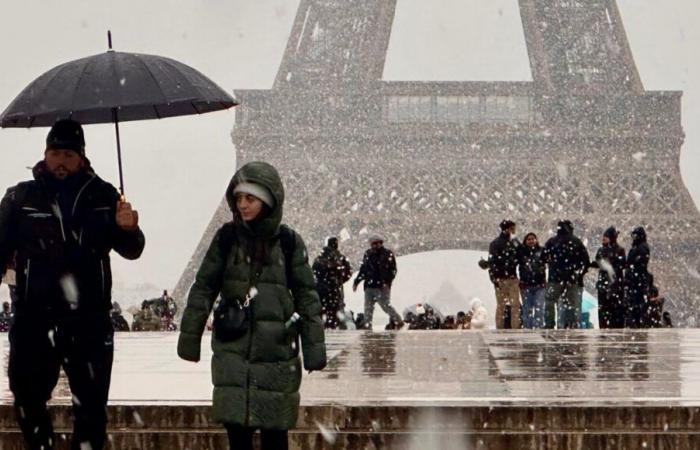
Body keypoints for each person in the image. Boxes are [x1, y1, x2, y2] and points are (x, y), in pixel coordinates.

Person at [0, 119, 144, 449]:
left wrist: (128, 228)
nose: (60, 161)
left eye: (67, 153)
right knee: (27, 399)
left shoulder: (104, 195)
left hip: (88, 319)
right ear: (44, 154)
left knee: (92, 411)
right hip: (35, 318)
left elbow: (132, 250)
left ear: (81, 157)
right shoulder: (20, 198)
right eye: (54, 153)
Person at [177, 161, 326, 450]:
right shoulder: (226, 238)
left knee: (275, 438)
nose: (242, 205)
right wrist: (189, 339)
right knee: (238, 438)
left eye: (250, 198)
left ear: (268, 200)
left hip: (276, 353)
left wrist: (314, 349)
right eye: (238, 198)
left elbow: (308, 297)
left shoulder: (288, 242)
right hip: (234, 352)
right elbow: (203, 289)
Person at [542, 220, 590, 329]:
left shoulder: (551, 242)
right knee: (571, 304)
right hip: (572, 279)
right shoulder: (576, 242)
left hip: (555, 278)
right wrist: (579, 274)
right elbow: (585, 261)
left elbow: (543, 258)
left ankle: (549, 324)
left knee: (550, 301)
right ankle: (570, 325)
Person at [352, 235, 403, 330]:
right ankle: (367, 325)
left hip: (382, 286)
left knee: (385, 306)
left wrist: (386, 282)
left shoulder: (387, 254)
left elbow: (393, 270)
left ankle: (398, 321)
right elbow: (363, 270)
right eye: (373, 243)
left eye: (378, 243)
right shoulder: (368, 254)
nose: (376, 245)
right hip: (369, 286)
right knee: (368, 308)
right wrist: (356, 282)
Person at [312, 237, 352, 329]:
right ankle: (333, 325)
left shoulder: (320, 257)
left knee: (321, 309)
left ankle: (321, 326)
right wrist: (340, 280)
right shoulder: (339, 257)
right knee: (334, 309)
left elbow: (314, 270)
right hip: (334, 287)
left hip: (320, 287)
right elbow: (348, 272)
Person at [590, 227, 626, 328]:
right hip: (612, 285)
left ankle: (607, 327)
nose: (603, 239)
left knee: (608, 311)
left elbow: (618, 265)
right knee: (610, 310)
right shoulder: (617, 250)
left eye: (605, 237)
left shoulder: (607, 250)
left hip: (609, 284)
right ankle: (611, 327)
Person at [488, 220, 521, 329]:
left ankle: (500, 328)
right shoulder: (514, 242)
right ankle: (515, 327)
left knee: (501, 306)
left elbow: (492, 263)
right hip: (511, 277)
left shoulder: (495, 243)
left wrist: (494, 278)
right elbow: (521, 255)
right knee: (515, 306)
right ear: (507, 229)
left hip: (500, 279)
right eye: (513, 229)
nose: (514, 231)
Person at [625, 227, 652, 328]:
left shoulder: (640, 247)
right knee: (636, 304)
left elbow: (639, 263)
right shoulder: (640, 246)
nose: (633, 238)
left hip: (636, 280)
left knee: (636, 304)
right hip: (636, 280)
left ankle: (636, 323)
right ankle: (637, 323)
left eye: (635, 236)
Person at [517, 232, 546, 329]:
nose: (531, 241)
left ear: (536, 240)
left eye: (533, 239)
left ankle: (538, 328)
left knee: (539, 308)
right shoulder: (521, 252)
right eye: (528, 239)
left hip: (540, 285)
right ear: (525, 241)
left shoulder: (542, 251)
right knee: (527, 309)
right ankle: (527, 328)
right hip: (526, 285)